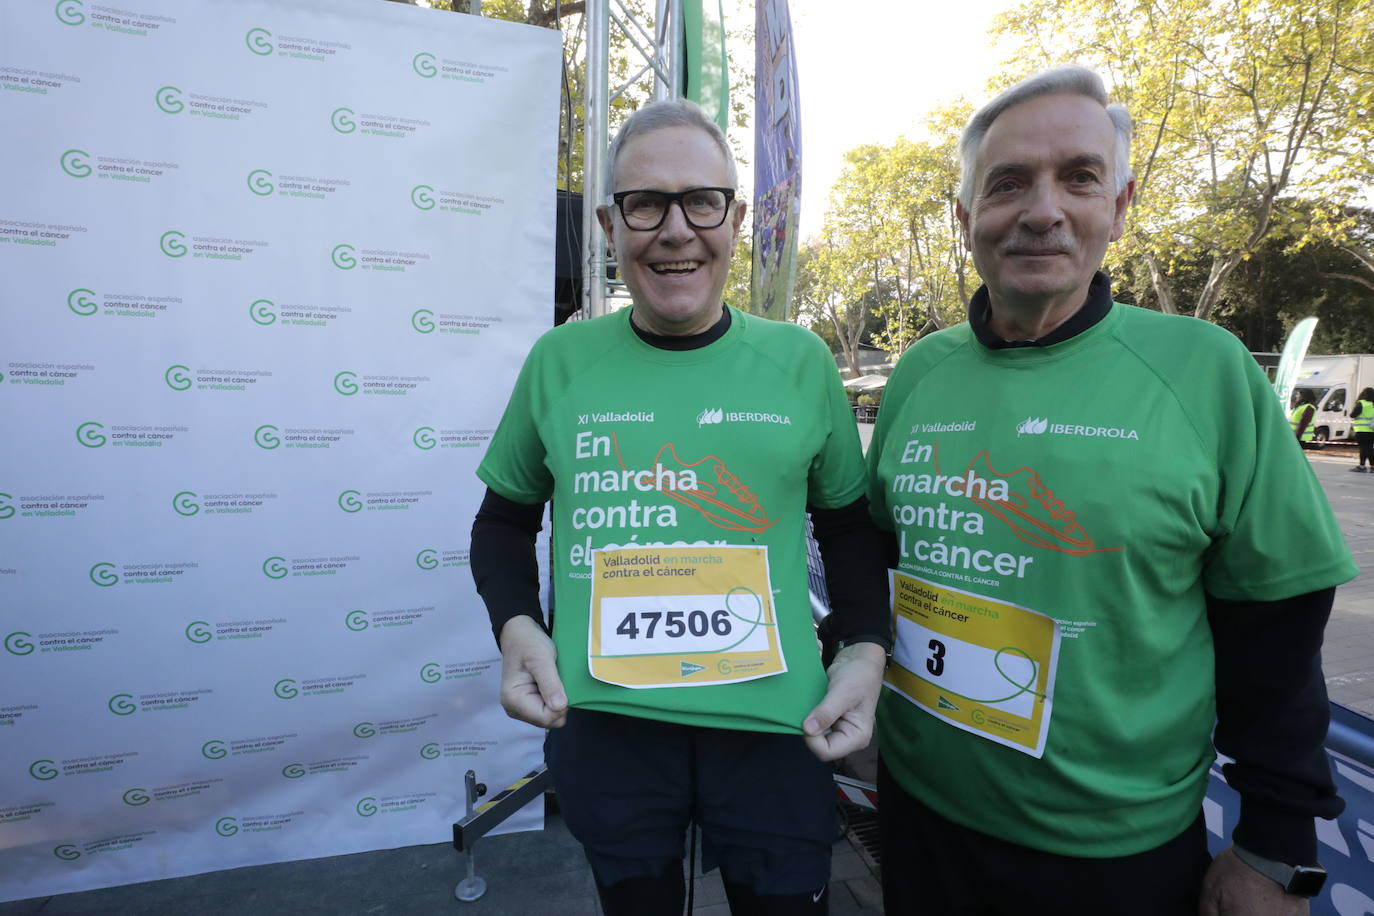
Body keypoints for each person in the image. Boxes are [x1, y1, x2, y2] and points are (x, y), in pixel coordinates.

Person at [867, 67, 1357, 915]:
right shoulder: (919, 371)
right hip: (920, 815)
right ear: (965, 217)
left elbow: (1277, 632)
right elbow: (880, 554)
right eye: (1009, 183)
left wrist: (1276, 846)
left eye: (1079, 177)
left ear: (1120, 206)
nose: (1043, 209)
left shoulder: (1205, 371)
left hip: (1109, 855)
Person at [469, 99, 889, 915]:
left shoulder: (800, 362)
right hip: (611, 731)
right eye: (644, 204)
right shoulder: (561, 360)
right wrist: (518, 625)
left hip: (776, 730)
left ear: (733, 218)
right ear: (608, 222)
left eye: (701, 201)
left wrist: (865, 649)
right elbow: (503, 520)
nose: (674, 229)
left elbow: (847, 528)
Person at [1349, 386, 1373, 471]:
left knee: (1363, 448)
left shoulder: (1361, 403)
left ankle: (1362, 466)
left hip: (1361, 430)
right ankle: (1372, 466)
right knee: (1370, 448)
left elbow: (1352, 415)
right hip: (1372, 430)